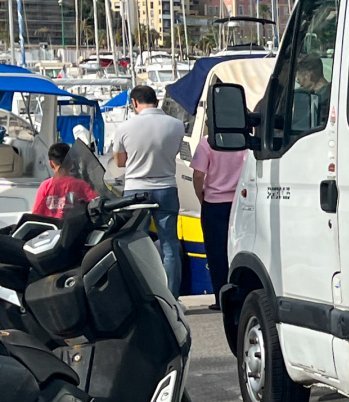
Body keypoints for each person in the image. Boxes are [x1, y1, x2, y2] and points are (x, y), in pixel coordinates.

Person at [112, 85, 185, 295]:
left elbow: (119, 162)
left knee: (136, 244)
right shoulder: (176, 125)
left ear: (135, 102)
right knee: (170, 244)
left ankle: (142, 294)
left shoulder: (125, 127)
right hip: (167, 187)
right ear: (156, 100)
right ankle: (172, 296)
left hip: (135, 188)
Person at [191, 135, 247, 310]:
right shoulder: (245, 140)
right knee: (241, 249)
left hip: (214, 203)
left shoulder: (208, 142)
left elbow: (198, 174)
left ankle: (221, 297)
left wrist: (201, 197)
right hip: (240, 202)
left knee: (216, 254)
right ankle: (242, 293)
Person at [31, 142, 96, 220]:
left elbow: (35, 214)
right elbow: (96, 203)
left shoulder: (45, 186)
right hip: (72, 231)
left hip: (50, 230)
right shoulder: (81, 185)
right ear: (71, 162)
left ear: (51, 164)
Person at [293, 56, 332, 130]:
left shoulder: (324, 98)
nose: (300, 84)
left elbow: (302, 125)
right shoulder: (325, 92)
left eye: (299, 80)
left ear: (309, 75)